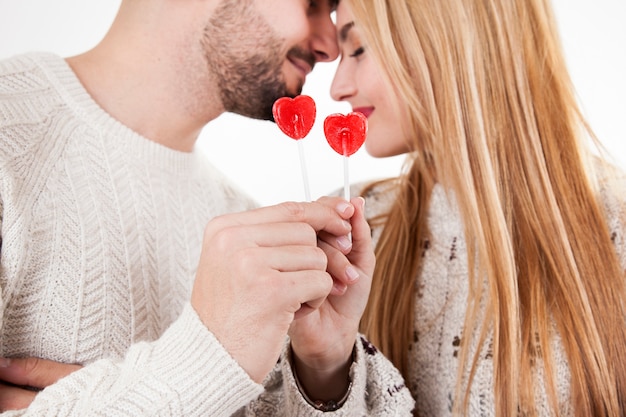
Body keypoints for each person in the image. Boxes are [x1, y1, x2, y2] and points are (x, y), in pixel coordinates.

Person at [0, 0, 415, 415]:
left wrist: (322, 370)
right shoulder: (9, 138)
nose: (330, 46)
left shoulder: (255, 243)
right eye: (312, 4)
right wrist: (201, 366)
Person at [329, 0, 626, 416]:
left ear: (448, 38)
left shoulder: (618, 230)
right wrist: (320, 368)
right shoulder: (355, 231)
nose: (336, 88)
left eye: (358, 48)